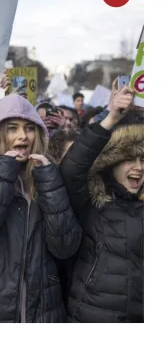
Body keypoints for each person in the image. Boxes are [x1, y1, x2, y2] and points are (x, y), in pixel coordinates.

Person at [0, 94, 82, 323]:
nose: (23, 135)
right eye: (12, 128)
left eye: (30, 128)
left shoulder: (49, 179)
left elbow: (65, 248)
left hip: (41, 311)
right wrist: (1, 177)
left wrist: (50, 185)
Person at [60, 87, 143, 323]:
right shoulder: (94, 198)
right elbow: (71, 170)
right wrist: (111, 118)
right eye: (129, 158)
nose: (139, 167)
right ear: (111, 162)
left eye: (144, 159)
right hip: (92, 316)